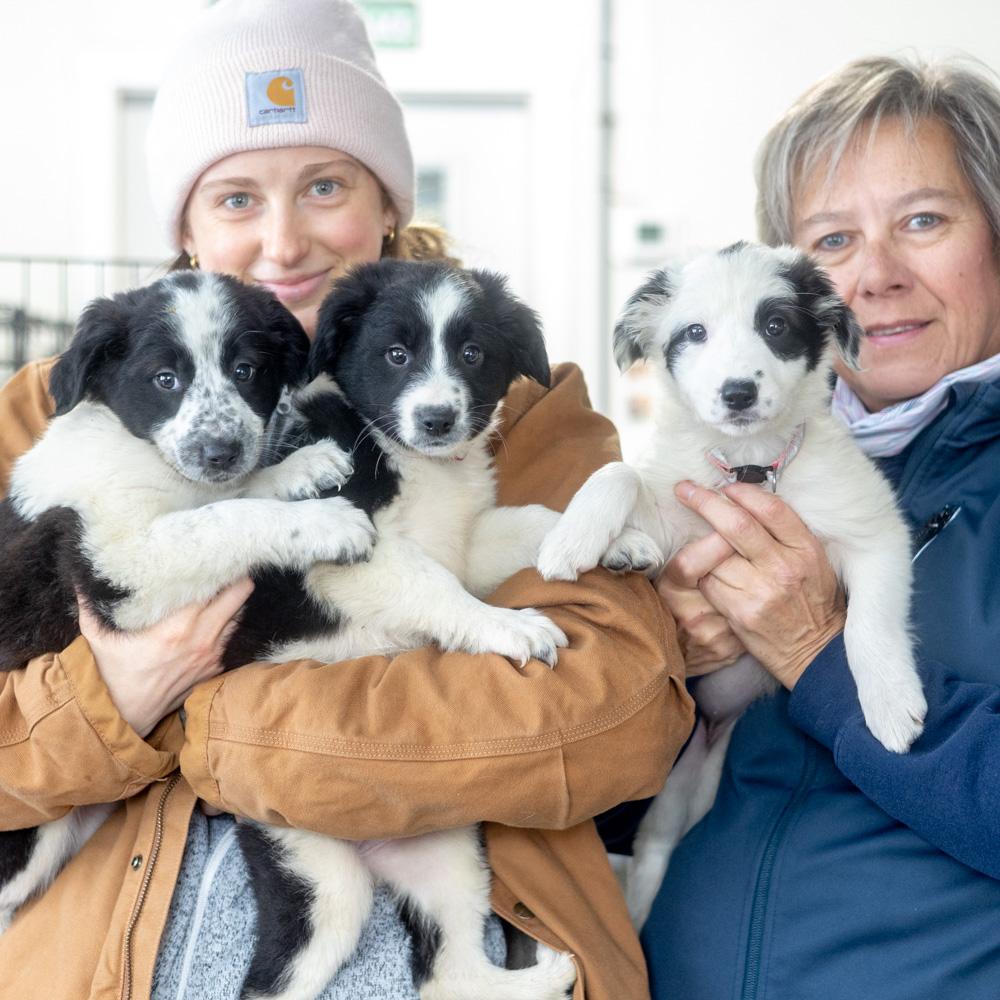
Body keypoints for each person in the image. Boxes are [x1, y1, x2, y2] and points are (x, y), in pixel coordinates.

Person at [0, 2, 692, 998]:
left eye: (324, 185)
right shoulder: (54, 412)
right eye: (235, 197)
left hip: (437, 922)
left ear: (385, 205)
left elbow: (607, 715)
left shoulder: (511, 407)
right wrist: (104, 702)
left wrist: (204, 720)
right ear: (186, 228)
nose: (284, 240)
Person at [638, 56, 1000, 999]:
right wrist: (660, 667)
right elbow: (597, 807)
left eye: (923, 221)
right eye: (835, 239)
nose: (875, 276)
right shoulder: (725, 462)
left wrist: (818, 655)